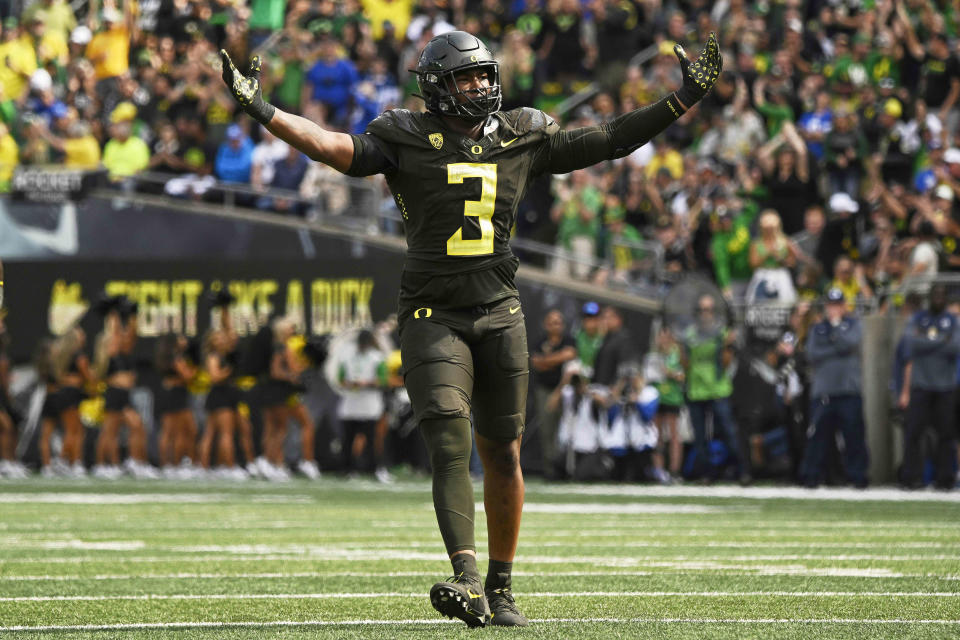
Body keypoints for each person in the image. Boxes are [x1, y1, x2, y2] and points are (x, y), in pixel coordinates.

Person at [221, 28, 721, 627]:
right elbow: (334, 149)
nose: (481, 85)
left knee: (503, 453)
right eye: (467, 77)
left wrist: (681, 99)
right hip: (433, 312)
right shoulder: (404, 133)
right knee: (448, 442)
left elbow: (609, 140)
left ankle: (501, 585)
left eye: (485, 74)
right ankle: (465, 577)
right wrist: (262, 109)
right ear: (438, 87)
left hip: (500, 310)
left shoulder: (522, 132)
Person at [800, 288, 868, 488]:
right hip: (823, 392)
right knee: (817, 437)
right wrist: (838, 347)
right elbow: (812, 354)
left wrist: (836, 329)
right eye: (831, 305)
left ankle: (858, 477)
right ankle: (811, 476)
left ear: (844, 306)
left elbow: (851, 343)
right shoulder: (817, 329)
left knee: (854, 436)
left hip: (849, 391)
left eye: (838, 305)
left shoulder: (854, 325)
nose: (834, 309)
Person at [681, 294, 751, 484]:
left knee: (729, 431)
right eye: (703, 310)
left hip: (718, 388)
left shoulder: (721, 333)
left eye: (709, 310)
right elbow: (685, 363)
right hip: (696, 388)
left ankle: (742, 470)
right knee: (700, 436)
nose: (706, 314)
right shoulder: (689, 334)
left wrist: (726, 346)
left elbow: (726, 363)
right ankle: (706, 472)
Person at [898, 285, 960, 490]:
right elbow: (911, 344)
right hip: (921, 385)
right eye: (936, 295)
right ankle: (912, 477)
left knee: (946, 434)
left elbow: (955, 347)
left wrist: (927, 341)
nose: (938, 298)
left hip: (945, 386)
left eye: (942, 295)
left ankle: (945, 479)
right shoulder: (918, 318)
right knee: (914, 432)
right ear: (930, 297)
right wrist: (942, 339)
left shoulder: (952, 320)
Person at [529, 309, 577, 478]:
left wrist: (546, 360)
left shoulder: (569, 340)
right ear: (545, 324)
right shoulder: (539, 341)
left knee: (565, 430)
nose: (554, 325)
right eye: (551, 322)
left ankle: (567, 468)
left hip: (566, 390)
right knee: (547, 429)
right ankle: (551, 470)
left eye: (557, 322)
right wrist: (558, 358)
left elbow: (570, 355)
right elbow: (535, 363)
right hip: (544, 390)